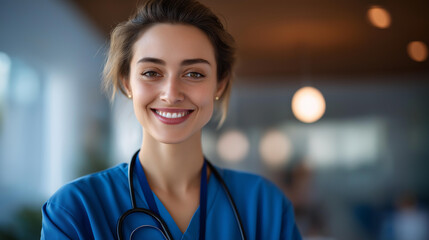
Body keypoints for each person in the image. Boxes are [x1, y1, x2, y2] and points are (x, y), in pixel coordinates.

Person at [41, 0, 302, 239]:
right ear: (126, 82)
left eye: (194, 74)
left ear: (219, 85)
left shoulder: (265, 206)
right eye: (152, 72)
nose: (171, 94)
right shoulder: (75, 210)